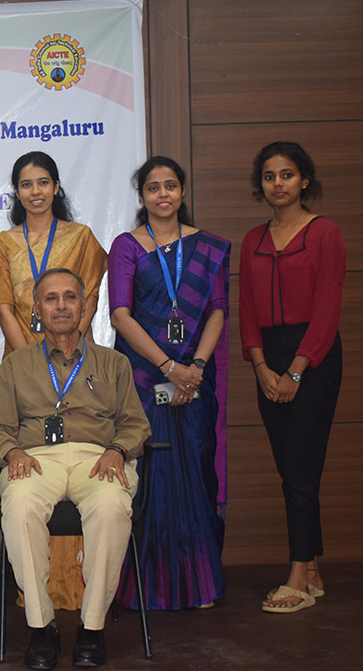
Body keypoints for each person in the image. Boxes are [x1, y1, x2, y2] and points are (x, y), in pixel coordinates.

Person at [0, 268, 150, 669]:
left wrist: (117, 450)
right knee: (19, 507)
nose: (61, 306)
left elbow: (135, 424)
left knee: (111, 508)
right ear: (37, 309)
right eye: (51, 298)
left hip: (98, 458)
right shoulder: (17, 364)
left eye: (70, 297)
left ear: (84, 306)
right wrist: (13, 454)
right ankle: (41, 627)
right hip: (36, 459)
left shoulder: (114, 363)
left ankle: (92, 628)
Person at [108, 157, 230, 611]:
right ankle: (144, 585)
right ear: (142, 196)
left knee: (196, 469)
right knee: (148, 476)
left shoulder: (207, 247)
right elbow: (120, 314)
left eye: (171, 186)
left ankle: (199, 583)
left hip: (195, 379)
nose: (163, 194)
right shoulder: (126, 246)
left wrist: (193, 366)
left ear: (182, 191)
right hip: (143, 376)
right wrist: (167, 366)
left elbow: (217, 310)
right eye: (153, 187)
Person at [0, 151, 108, 611]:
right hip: (22, 360)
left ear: (56, 187)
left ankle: (82, 594)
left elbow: (88, 298)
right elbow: (3, 305)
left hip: (75, 359)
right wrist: (32, 358)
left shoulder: (81, 237)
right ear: (17, 192)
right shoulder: (4, 242)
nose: (35, 191)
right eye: (26, 184)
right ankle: (35, 597)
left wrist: (64, 342)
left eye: (43, 182)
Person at [239, 141, 344, 614]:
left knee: (301, 467)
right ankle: (314, 566)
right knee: (291, 467)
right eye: (269, 176)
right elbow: (246, 308)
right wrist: (262, 367)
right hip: (268, 357)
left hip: (314, 358)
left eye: (286, 174)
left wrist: (296, 371)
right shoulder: (252, 240)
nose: (277, 183)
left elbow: (327, 308)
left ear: (304, 180)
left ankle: (298, 577)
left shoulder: (324, 233)